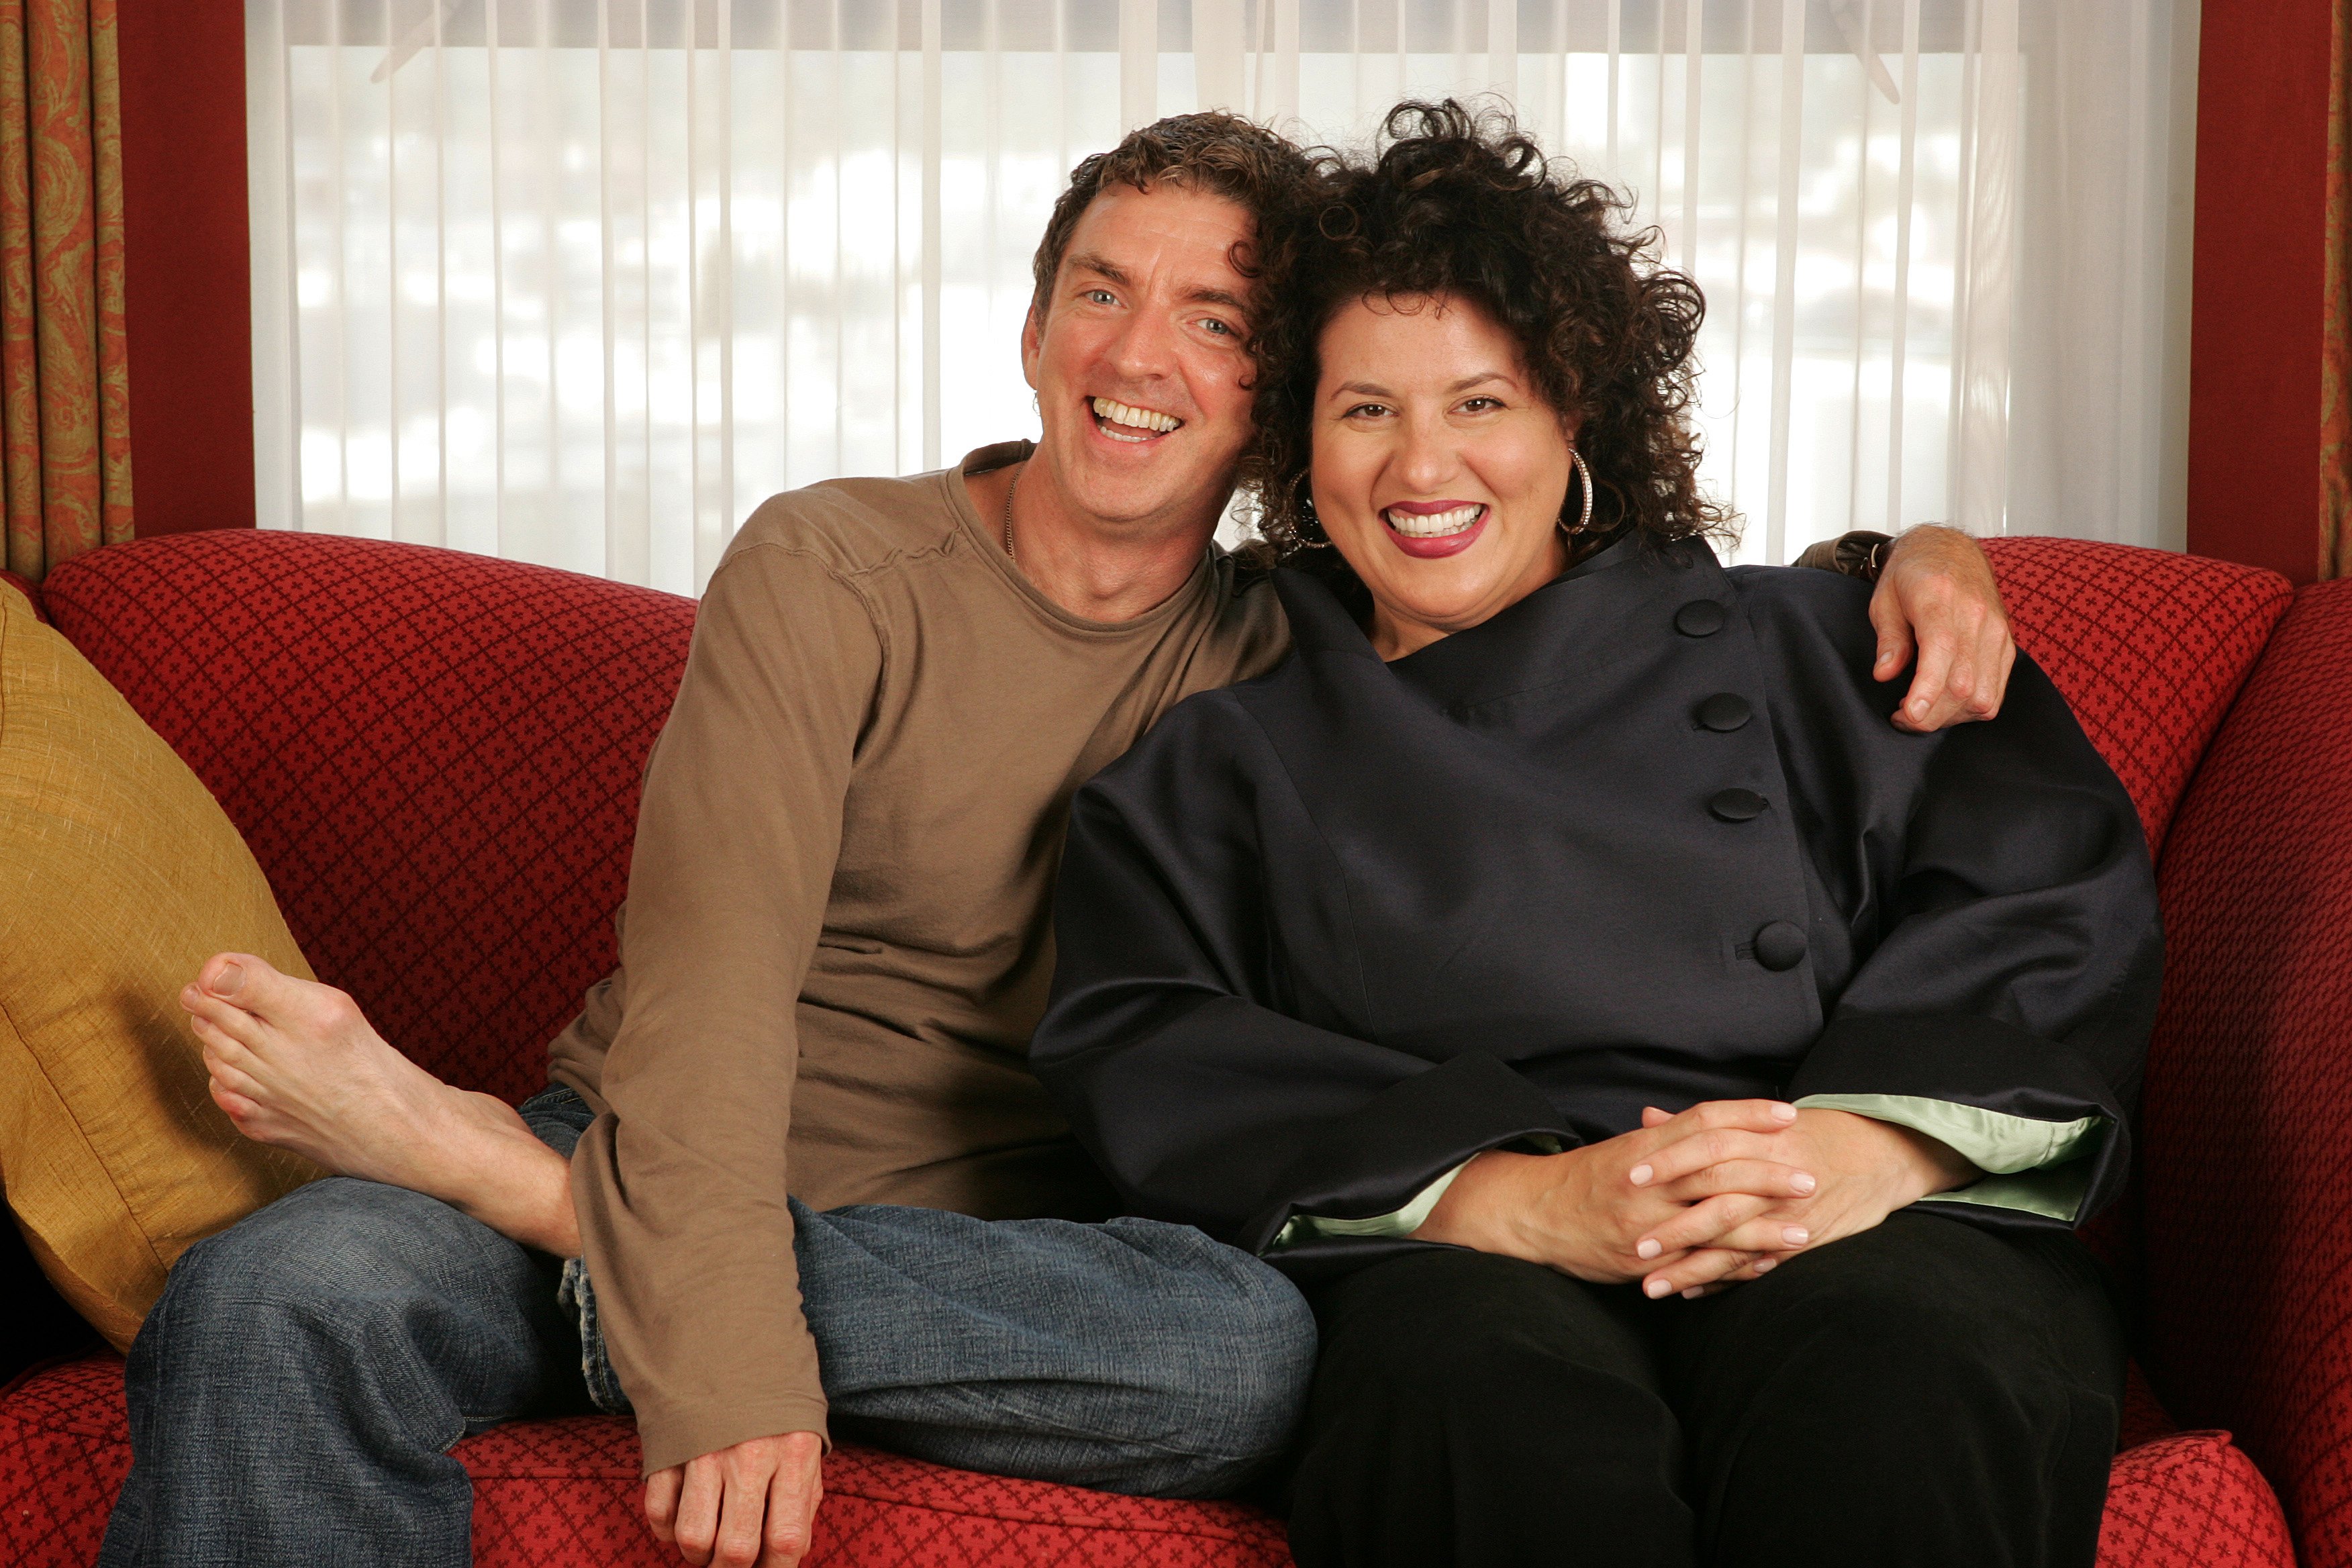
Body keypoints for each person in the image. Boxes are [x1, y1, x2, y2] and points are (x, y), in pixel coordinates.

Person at [101, 113, 2019, 1568]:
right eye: (1102, 288)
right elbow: (704, 993)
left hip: (1031, 1260)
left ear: (1279, 403)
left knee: (1254, 1360)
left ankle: (524, 1208)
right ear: (1032, 329)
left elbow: (1579, 575)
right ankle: (538, 1202)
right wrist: (727, 1350)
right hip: (658, 1150)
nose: (1142, 350)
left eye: (1217, 318)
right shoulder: (832, 563)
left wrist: (1901, 559)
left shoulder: (1315, 629)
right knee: (276, 1294)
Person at [1030, 102, 2153, 1568]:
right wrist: (1526, 1201)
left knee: (1906, 1369)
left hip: (1858, 1203)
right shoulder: (1234, 750)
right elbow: (1144, 1031)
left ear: (1578, 422)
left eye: (1482, 401)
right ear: (1301, 446)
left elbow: (2042, 887)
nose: (1423, 466)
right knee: (1468, 1398)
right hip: (1477, 1246)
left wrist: (1862, 1152)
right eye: (1366, 408)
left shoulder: (1816, 642)